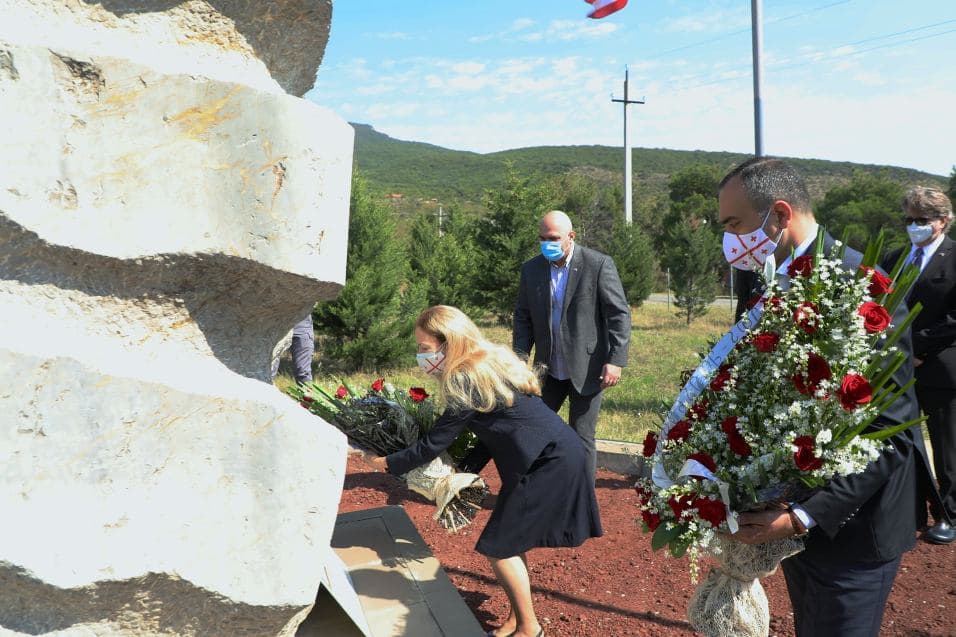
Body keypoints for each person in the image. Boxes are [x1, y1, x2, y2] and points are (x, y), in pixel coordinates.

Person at [716, 157, 939, 637]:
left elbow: (891, 433)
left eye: (734, 224)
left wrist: (802, 516)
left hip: (854, 528)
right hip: (791, 519)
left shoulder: (865, 288)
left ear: (778, 215)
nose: (730, 239)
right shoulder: (765, 281)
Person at [368, 305, 602, 637]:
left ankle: (529, 629)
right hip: (550, 454)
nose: (420, 356)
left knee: (499, 547)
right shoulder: (485, 362)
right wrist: (463, 470)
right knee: (510, 541)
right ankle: (516, 618)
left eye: (424, 348)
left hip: (547, 464)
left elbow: (434, 443)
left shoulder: (464, 378)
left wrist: (386, 463)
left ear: (448, 343)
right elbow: (492, 431)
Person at [513, 210, 631, 482]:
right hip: (547, 369)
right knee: (533, 431)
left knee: (581, 436)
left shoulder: (597, 265)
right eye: (542, 238)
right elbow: (523, 316)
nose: (547, 243)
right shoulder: (532, 269)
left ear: (571, 236)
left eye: (553, 238)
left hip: (587, 368)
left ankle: (582, 500)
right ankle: (537, 492)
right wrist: (519, 358)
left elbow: (618, 314)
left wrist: (616, 359)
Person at [881, 186, 956, 545]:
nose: (914, 226)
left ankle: (949, 512)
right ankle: (912, 509)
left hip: (941, 365)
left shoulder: (954, 257)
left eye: (921, 220)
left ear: (943, 221)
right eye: (909, 220)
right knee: (904, 439)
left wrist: (919, 348)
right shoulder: (894, 258)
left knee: (946, 443)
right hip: (897, 366)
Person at [271, 313, 315, 384]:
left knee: (303, 372)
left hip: (302, 323)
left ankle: (307, 393)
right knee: (270, 369)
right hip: (277, 320)